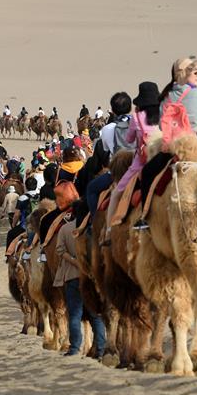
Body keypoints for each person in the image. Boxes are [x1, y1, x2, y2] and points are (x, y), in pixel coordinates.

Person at [134, 58, 197, 229]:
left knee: (147, 172)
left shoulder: (166, 96)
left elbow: (163, 126)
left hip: (174, 150)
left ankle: (144, 217)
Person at [104, 82, 161, 240]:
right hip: (163, 158)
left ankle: (108, 233)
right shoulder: (164, 114)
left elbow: (129, 139)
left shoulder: (137, 118)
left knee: (116, 194)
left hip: (142, 161)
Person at [55, 203, 106, 358]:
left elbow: (59, 250)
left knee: (75, 314)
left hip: (72, 276)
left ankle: (75, 347)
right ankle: (101, 347)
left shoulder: (65, 229)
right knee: (95, 314)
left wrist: (74, 261)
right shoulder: (92, 230)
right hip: (90, 277)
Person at [99, 91, 133, 156]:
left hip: (116, 163)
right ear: (130, 108)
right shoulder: (138, 124)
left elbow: (105, 149)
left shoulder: (106, 129)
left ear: (112, 109)